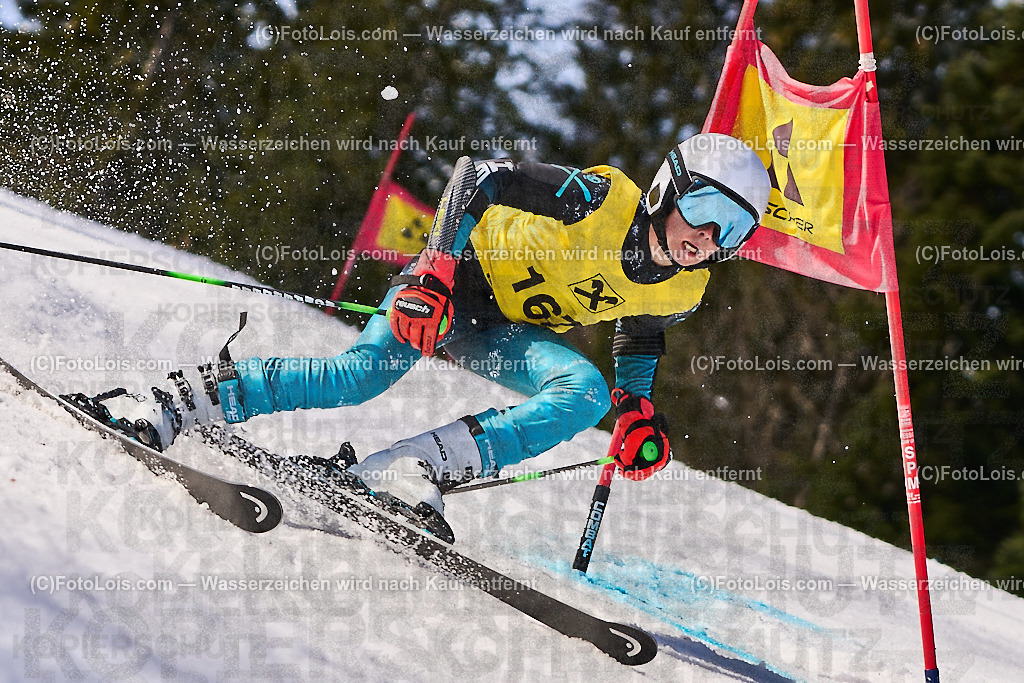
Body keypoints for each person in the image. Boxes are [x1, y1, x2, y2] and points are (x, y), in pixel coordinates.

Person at [96, 132, 770, 528]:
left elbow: (640, 327)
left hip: (498, 329)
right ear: (667, 190)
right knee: (358, 376)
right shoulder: (597, 199)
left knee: (586, 391)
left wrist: (634, 406)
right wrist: (436, 268)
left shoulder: (688, 287)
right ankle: (174, 401)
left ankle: (408, 469)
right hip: (453, 281)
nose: (709, 236)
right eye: (706, 208)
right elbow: (476, 176)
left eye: (733, 229)